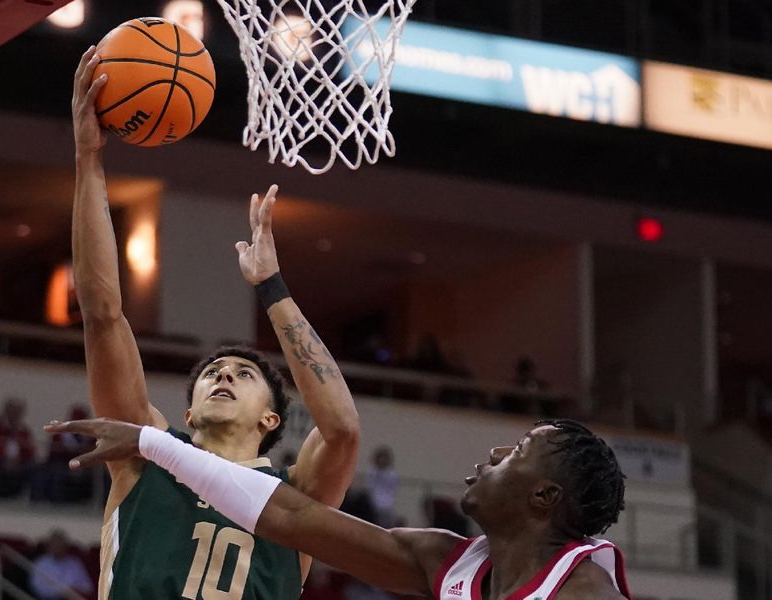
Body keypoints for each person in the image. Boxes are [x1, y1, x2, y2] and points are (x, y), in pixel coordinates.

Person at [71, 47, 360, 599]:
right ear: (187, 413)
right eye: (214, 372)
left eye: (243, 375)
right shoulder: (144, 458)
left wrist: (272, 288)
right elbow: (102, 315)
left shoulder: (295, 496)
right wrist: (89, 159)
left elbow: (342, 430)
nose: (224, 376)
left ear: (272, 421)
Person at [46, 417, 631, 600]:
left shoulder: (582, 591)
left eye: (520, 451)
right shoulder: (446, 562)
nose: (499, 452)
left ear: (544, 497)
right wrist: (155, 444)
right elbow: (292, 518)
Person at [0, 396, 35, 498]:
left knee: (35, 467)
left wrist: (18, 459)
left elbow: (29, 450)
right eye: (13, 411)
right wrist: (4, 456)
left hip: (17, 464)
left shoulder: (23, 430)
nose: (15, 414)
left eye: (18, 412)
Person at [29, 529, 94, 600]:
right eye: (54, 544)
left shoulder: (75, 563)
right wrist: (60, 592)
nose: (57, 547)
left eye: (60, 544)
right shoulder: (42, 562)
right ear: (49, 546)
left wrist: (73, 590)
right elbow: (36, 586)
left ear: (66, 546)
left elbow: (88, 587)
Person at [364, 446, 399, 528]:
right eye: (380, 458)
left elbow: (392, 490)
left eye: (384, 458)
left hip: (386, 506)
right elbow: (369, 487)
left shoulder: (392, 474)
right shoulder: (372, 472)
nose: (382, 461)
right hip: (373, 505)